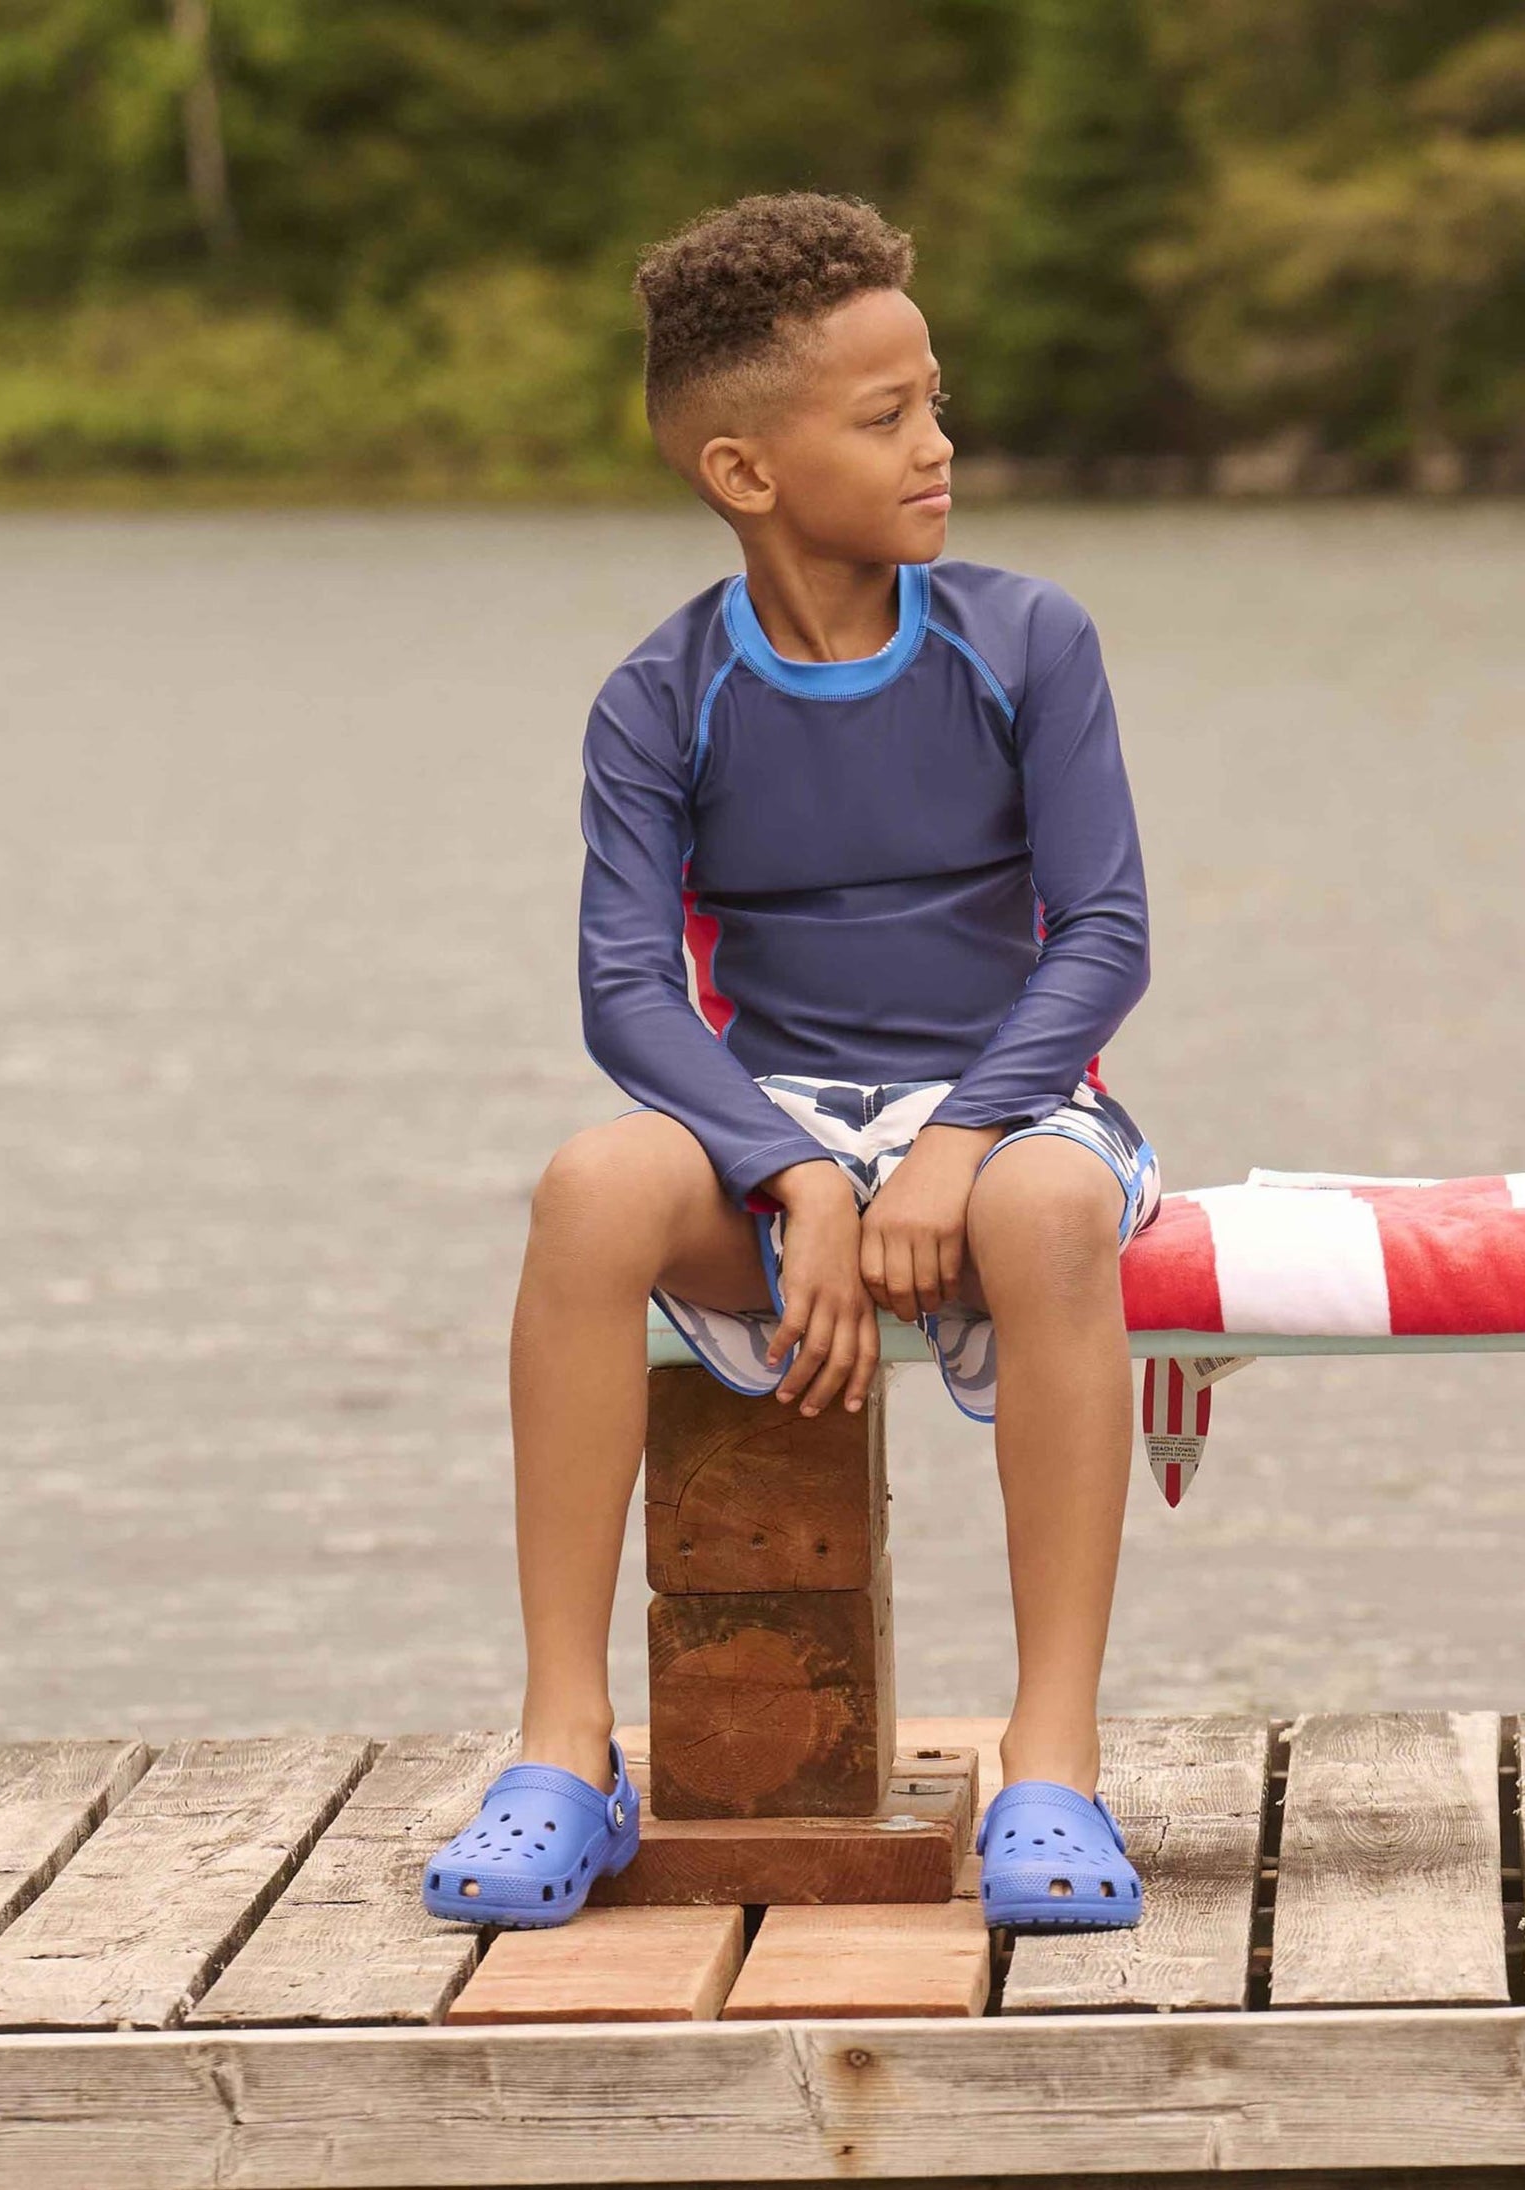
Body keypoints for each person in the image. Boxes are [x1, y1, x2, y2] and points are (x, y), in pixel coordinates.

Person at [422, 190, 1162, 1934]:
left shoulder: (1025, 640)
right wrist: (788, 1167)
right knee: (589, 1186)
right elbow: (626, 993)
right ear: (744, 470)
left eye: (934, 401)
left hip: (1014, 1106)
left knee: (1052, 1212)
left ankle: (1052, 1765)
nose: (937, 445)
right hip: (777, 1120)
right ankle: (564, 1749)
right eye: (885, 415)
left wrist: (957, 1141)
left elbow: (1105, 933)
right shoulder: (659, 694)